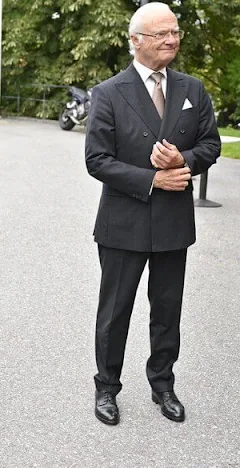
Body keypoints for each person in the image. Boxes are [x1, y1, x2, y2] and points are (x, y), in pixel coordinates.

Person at [85, 2, 221, 426]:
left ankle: (163, 384)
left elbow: (211, 146)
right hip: (122, 224)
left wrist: (184, 159)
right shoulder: (109, 92)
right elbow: (97, 160)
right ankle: (107, 387)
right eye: (162, 34)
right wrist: (151, 179)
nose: (172, 39)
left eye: (175, 32)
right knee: (115, 311)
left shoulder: (192, 90)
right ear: (136, 40)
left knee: (167, 311)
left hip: (172, 226)